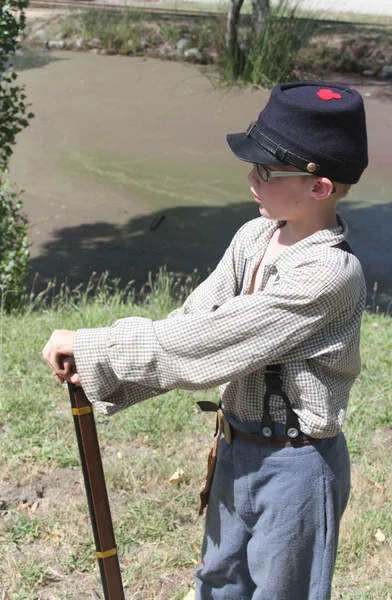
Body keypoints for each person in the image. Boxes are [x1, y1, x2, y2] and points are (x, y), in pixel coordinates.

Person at [43, 81, 369, 600]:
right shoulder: (255, 236)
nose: (250, 178)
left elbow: (207, 345)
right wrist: (108, 368)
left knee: (283, 592)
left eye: (266, 169)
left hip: (295, 468)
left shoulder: (330, 274)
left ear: (320, 187)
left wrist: (94, 345)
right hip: (236, 445)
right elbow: (192, 321)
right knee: (217, 582)